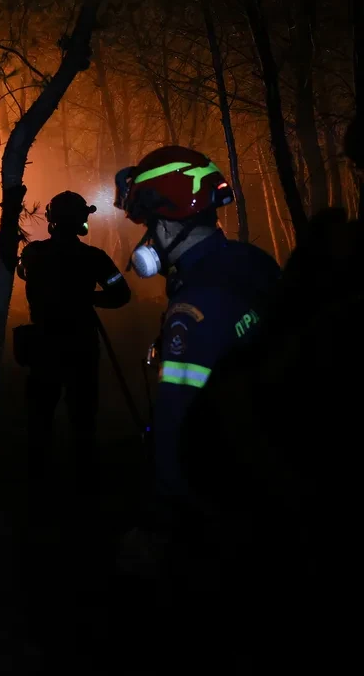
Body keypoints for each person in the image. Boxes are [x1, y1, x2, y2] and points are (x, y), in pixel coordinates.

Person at [112, 145, 282, 667]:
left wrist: (162, 520)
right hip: (267, 485)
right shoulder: (252, 264)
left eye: (147, 225)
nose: (146, 241)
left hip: (213, 509)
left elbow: (176, 422)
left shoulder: (195, 309)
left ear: (169, 225)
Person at [16, 190, 131, 507]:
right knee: (83, 422)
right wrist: (89, 298)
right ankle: (85, 490)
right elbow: (121, 295)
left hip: (44, 348)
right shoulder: (95, 259)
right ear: (82, 221)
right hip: (81, 349)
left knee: (40, 421)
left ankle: (37, 490)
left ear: (51, 222)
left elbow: (22, 270)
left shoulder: (34, 254)